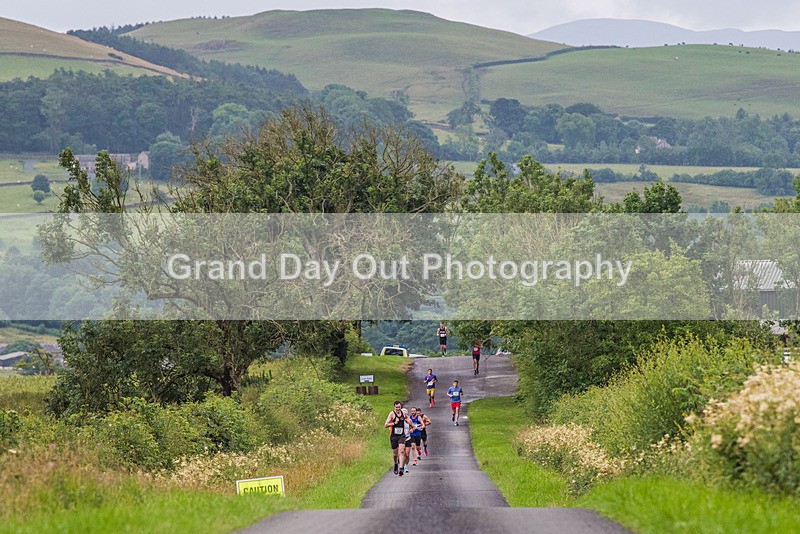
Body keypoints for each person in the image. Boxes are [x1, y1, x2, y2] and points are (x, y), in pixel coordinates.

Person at [384, 401, 410, 476]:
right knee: (395, 454)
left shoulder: (403, 413)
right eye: (396, 407)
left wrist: (412, 426)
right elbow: (386, 425)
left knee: (401, 450)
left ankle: (401, 468)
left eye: (399, 407)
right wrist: (394, 423)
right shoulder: (392, 414)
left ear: (401, 407)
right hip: (394, 436)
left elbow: (409, 420)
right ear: (394, 407)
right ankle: (396, 464)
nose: (398, 409)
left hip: (401, 435)